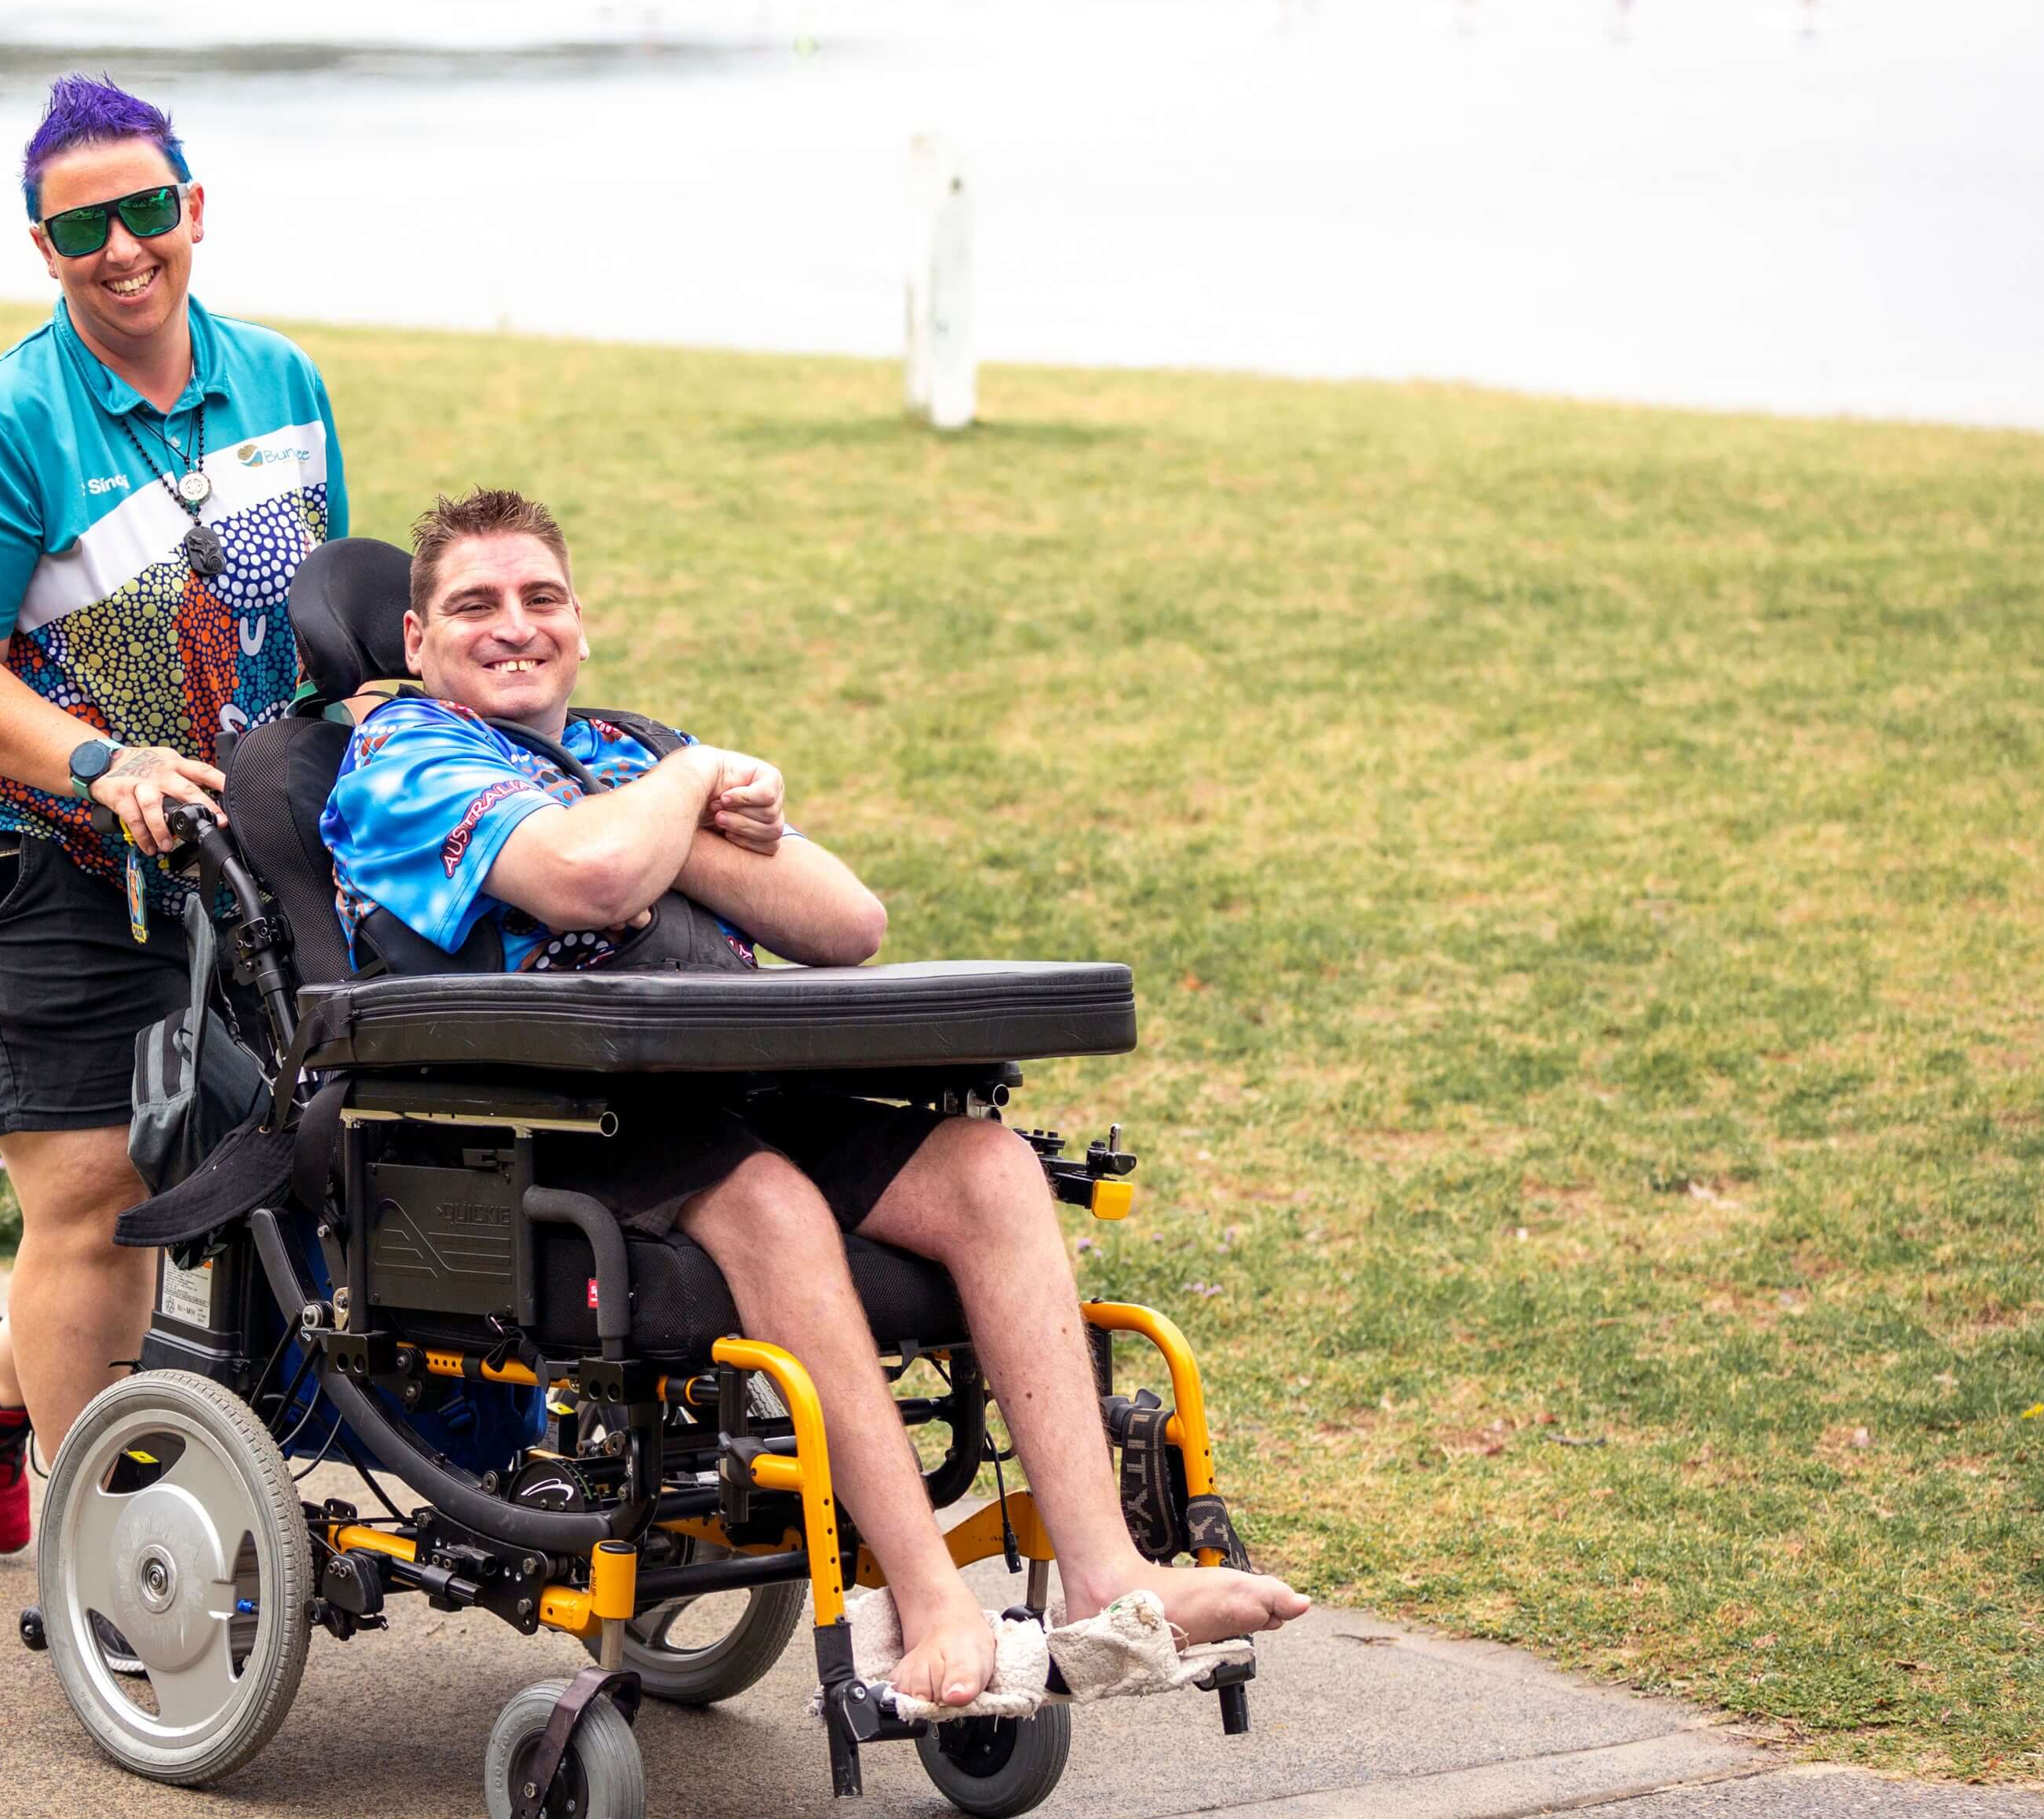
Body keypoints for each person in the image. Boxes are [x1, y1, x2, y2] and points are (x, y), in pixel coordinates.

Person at [322, 488, 1309, 1710]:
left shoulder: (628, 751)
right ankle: (928, 1605)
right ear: (418, 642)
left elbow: (845, 921)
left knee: (989, 1167)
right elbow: (585, 875)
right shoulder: (404, 758)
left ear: (582, 623)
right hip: (538, 1123)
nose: (513, 626)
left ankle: (1107, 1579)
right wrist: (690, 798)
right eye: (475, 604)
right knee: (773, 1202)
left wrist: (664, 805)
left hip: (722, 1084)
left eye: (541, 599)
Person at [0, 75, 348, 1557]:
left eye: (148, 210)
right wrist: (102, 763)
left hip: (232, 860)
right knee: (95, 1196)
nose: (123, 247)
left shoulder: (280, 379)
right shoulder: (1, 423)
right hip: (35, 858)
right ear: (43, 246)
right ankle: (117, 1574)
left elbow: (321, 606)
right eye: (83, 226)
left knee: (246, 1159)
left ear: (194, 211)